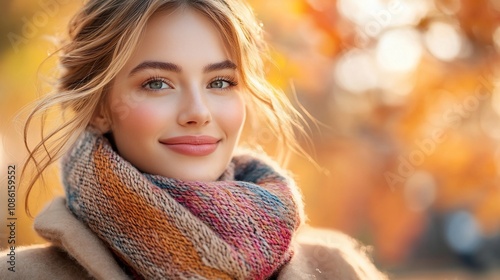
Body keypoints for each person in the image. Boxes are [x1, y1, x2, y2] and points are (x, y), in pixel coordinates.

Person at [1, 0, 388, 279]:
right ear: (101, 107)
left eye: (220, 82)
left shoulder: (337, 269)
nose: (198, 111)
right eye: (157, 83)